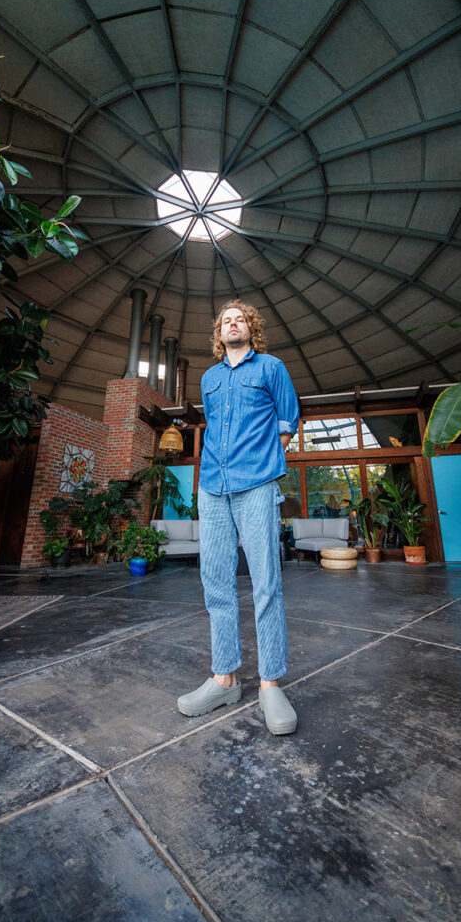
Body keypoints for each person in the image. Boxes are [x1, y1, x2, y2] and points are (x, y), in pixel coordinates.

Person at [177, 299, 300, 735]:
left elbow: (288, 419)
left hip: (257, 483)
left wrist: (268, 460)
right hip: (212, 486)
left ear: (252, 328)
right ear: (219, 332)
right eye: (226, 320)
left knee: (266, 581)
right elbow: (214, 426)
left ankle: (270, 685)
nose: (233, 324)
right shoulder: (209, 378)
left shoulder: (270, 368)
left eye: (240, 318)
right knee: (215, 581)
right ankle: (224, 678)